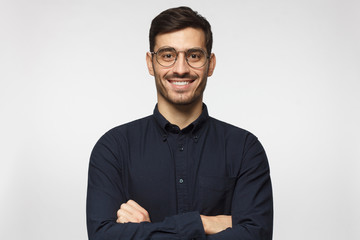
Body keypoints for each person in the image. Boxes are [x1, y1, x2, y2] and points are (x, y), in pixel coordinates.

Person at [86, 6, 273, 240]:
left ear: (210, 63)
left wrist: (145, 230)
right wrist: (202, 223)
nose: (181, 69)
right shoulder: (113, 148)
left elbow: (255, 235)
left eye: (194, 55)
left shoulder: (245, 148)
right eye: (167, 55)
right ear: (150, 63)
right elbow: (103, 237)